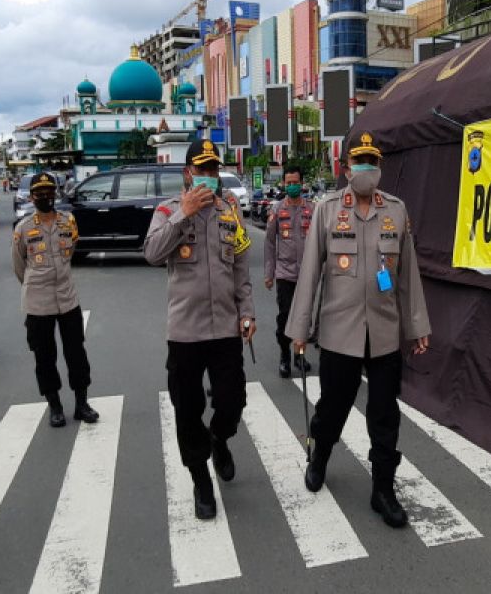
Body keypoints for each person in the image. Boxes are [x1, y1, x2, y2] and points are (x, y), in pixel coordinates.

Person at [286, 132, 431, 529]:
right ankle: (319, 456)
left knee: (385, 414)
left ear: (379, 168)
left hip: (384, 333)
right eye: (359, 162)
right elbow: (311, 272)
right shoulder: (328, 210)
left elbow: (408, 277)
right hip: (338, 332)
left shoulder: (396, 212)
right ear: (346, 169)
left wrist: (416, 325)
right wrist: (300, 329)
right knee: (332, 407)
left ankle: (383, 488)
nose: (366, 169)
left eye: (372, 161)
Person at [144, 138, 255, 521]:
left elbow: (240, 269)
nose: (209, 176)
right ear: (187, 172)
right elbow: (152, 253)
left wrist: (248, 312)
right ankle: (200, 480)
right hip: (186, 334)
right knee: (187, 411)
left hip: (225, 328)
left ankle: (220, 439)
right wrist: (184, 215)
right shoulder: (167, 210)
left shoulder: (231, 213)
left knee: (232, 402)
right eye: (202, 169)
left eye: (213, 169)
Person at [11, 172, 99, 428]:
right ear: (32, 197)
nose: (45, 197)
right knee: (44, 356)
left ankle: (82, 404)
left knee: (76, 354)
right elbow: (19, 267)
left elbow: (69, 251)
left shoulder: (67, 221)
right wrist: (35, 284)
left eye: (49, 192)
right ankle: (55, 406)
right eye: (40, 193)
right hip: (38, 303)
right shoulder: (23, 228)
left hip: (67, 299)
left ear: (56, 193)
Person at [263, 163, 314, 379]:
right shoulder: (276, 210)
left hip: (307, 274)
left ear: (302, 184)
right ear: (284, 183)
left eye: (296, 183)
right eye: (289, 183)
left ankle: (299, 355)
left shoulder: (312, 209)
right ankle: (284, 355)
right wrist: (269, 273)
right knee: (285, 317)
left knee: (304, 318)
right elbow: (269, 244)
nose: (292, 186)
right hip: (285, 273)